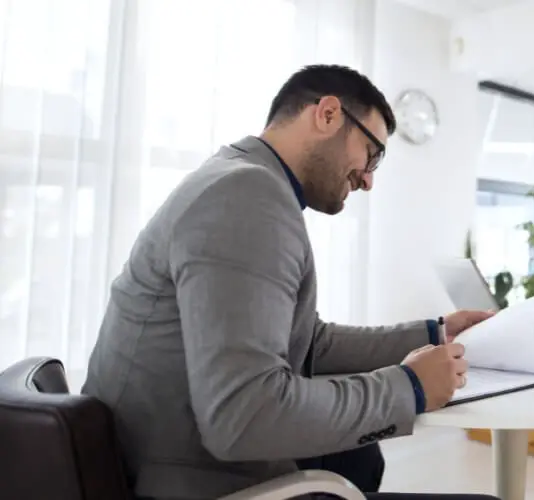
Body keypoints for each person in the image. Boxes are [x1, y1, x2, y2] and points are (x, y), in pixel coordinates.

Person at [81, 64, 499, 500]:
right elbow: (243, 417)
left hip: (161, 453)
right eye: (372, 154)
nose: (369, 180)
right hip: (185, 477)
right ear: (328, 115)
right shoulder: (246, 197)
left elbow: (309, 342)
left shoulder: (239, 178)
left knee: (360, 457)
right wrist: (409, 387)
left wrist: (436, 333)